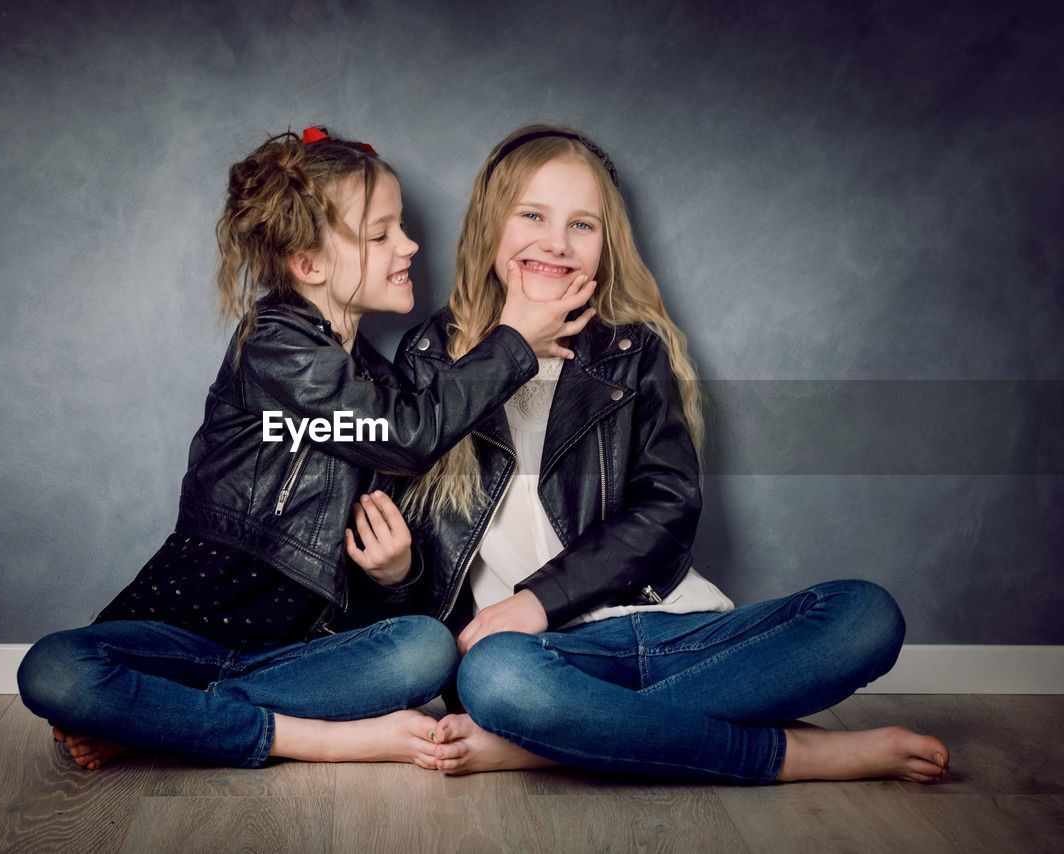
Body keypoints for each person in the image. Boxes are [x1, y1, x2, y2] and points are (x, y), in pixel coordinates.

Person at [16, 127, 596, 771]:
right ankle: (312, 739)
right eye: (380, 235)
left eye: (400, 227)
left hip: (296, 656)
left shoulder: (389, 386)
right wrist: (512, 340)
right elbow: (401, 435)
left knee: (426, 648)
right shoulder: (274, 342)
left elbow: (372, 566)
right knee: (56, 671)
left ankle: (164, 718)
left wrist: (394, 577)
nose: (409, 246)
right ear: (310, 264)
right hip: (185, 629)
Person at [394, 124, 951, 784]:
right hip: (535, 657)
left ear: (606, 246)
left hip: (675, 630)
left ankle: (546, 744)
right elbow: (418, 538)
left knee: (865, 616)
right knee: (494, 680)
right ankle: (794, 756)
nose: (555, 241)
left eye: (582, 225)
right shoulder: (432, 358)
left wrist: (539, 598)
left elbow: (668, 506)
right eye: (534, 215)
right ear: (491, 226)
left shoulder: (634, 349)